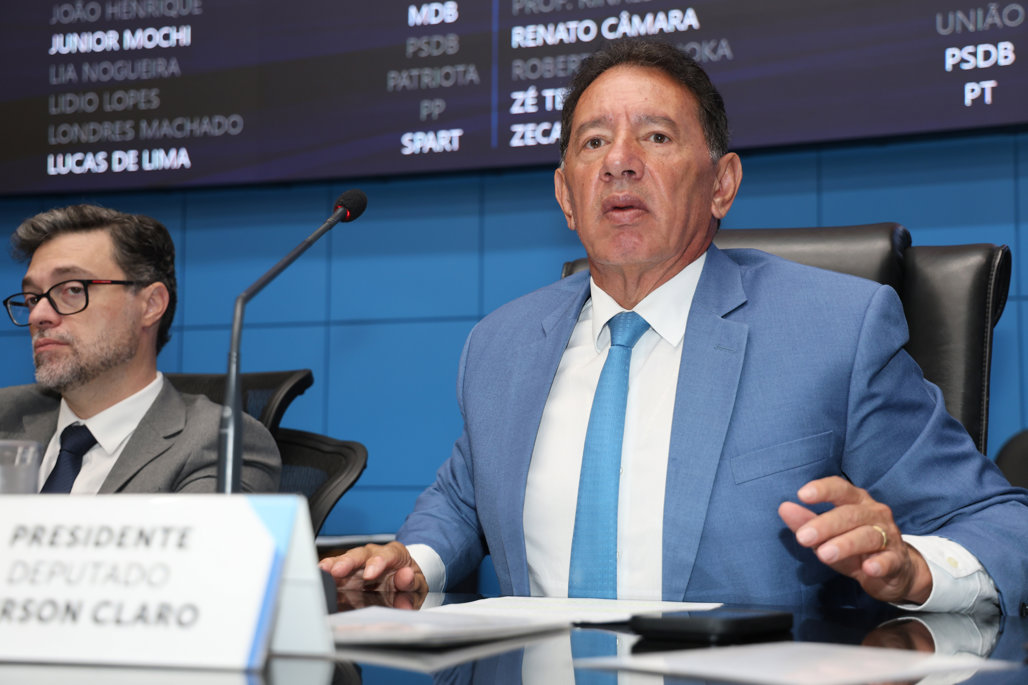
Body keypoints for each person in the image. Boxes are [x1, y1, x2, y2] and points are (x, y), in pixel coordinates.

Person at [321, 38, 1028, 614]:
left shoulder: (837, 332)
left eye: (656, 136)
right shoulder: (500, 344)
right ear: (566, 195)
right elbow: (464, 497)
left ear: (722, 184)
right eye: (593, 143)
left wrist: (916, 568)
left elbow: (1003, 524)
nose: (619, 162)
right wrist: (417, 560)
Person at [0, 204, 280, 493]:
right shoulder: (5, 414)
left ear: (151, 305)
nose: (38, 315)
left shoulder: (219, 445)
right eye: (32, 298)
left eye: (72, 289)